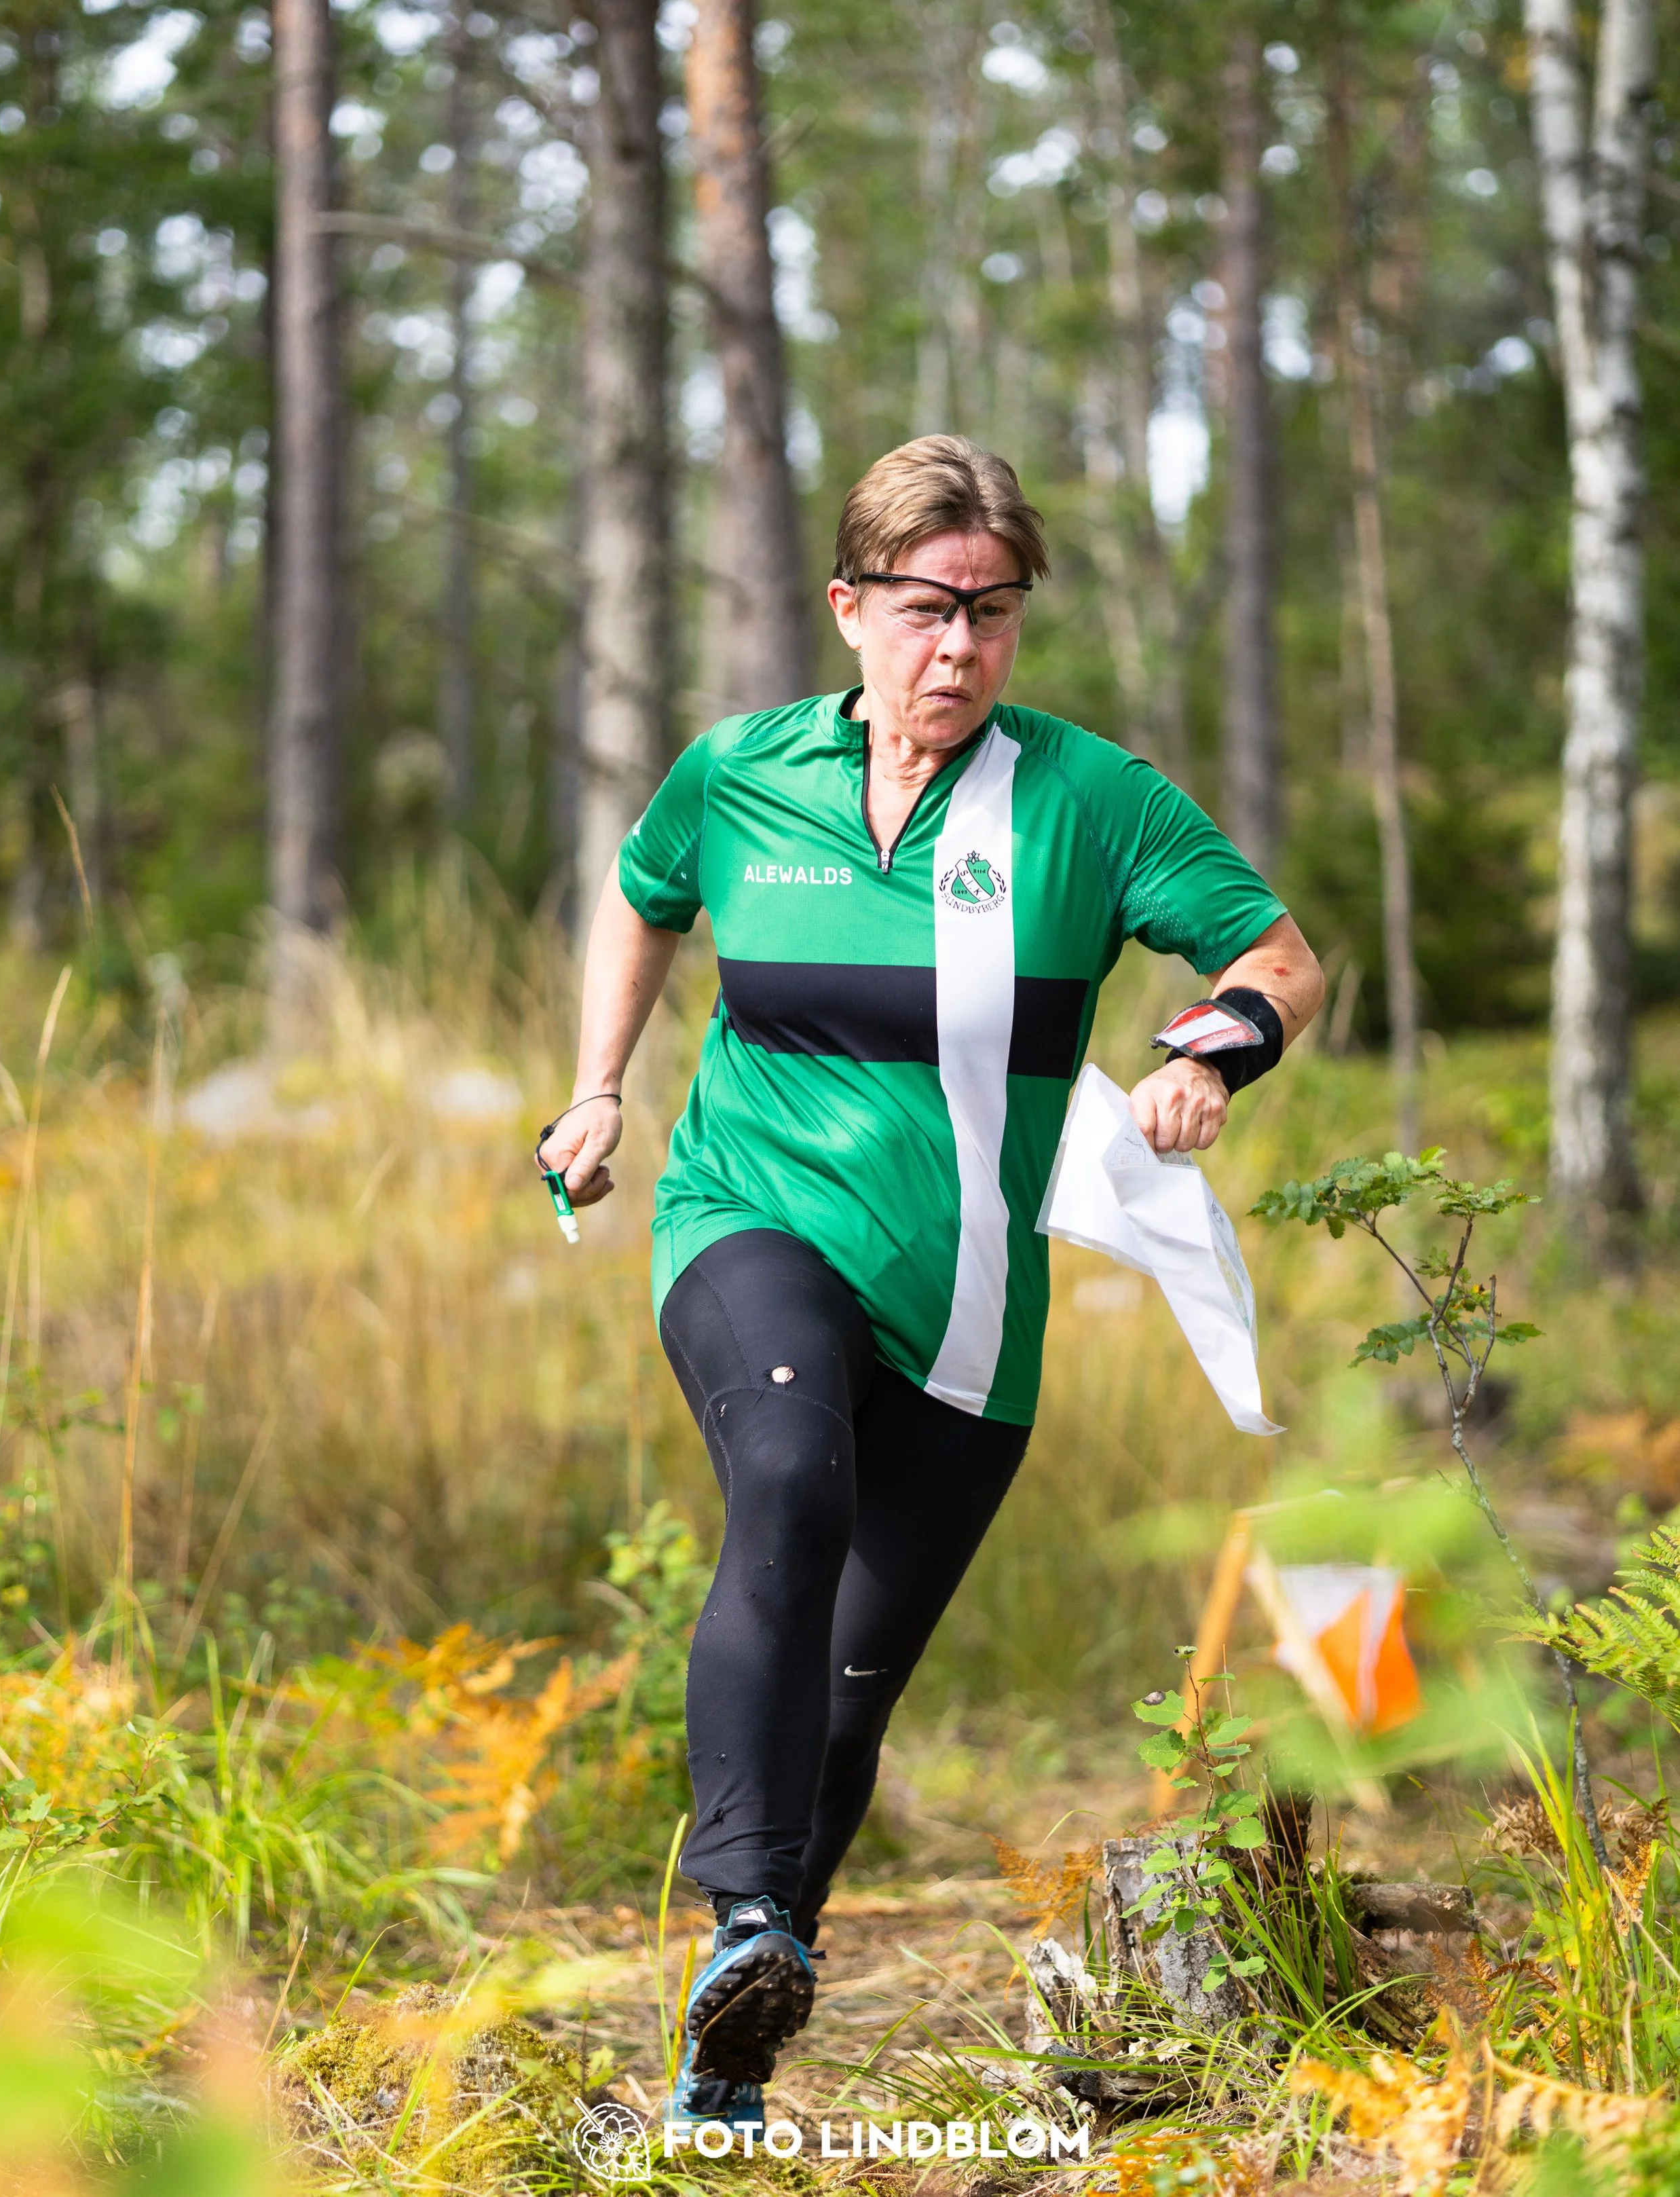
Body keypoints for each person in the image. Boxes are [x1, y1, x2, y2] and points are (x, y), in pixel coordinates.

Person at [536, 435, 1323, 2128]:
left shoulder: (1088, 801)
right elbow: (642, 892)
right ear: (848, 607)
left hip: (968, 1311)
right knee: (785, 1473)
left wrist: (1212, 1048)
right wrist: (598, 1086)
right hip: (746, 1215)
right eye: (924, 609)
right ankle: (741, 1908)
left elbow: (1276, 955)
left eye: (991, 612)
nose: (958, 647)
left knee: (847, 1694)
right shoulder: (738, 772)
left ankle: (732, 2046)